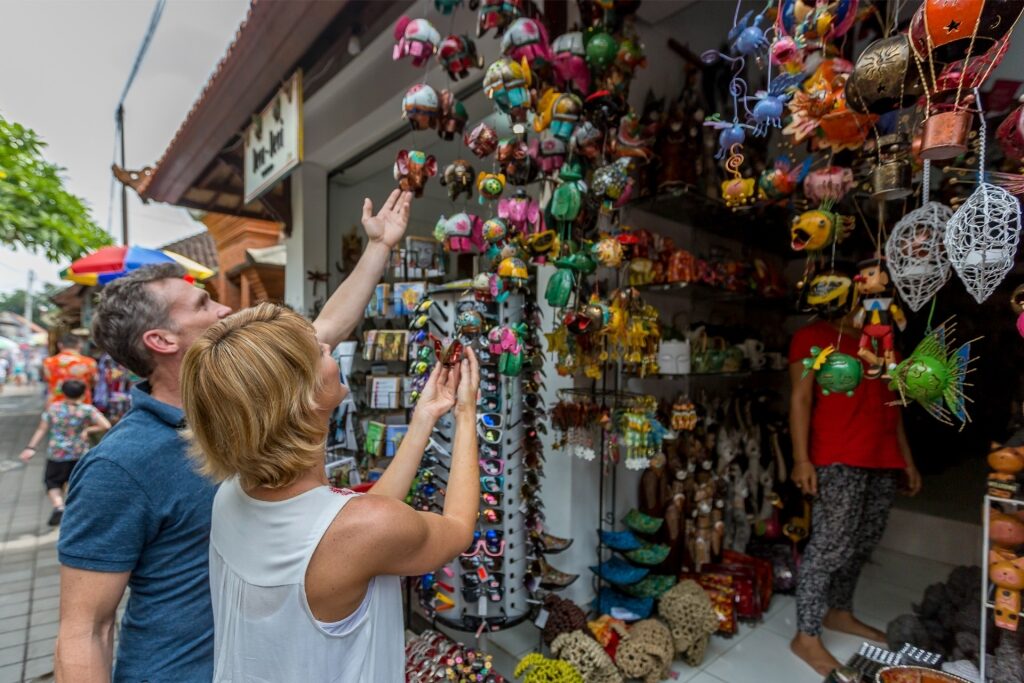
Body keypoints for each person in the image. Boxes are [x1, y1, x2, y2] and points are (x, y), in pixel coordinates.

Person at [55, 189, 413, 683]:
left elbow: (322, 332)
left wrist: (379, 247)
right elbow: (85, 630)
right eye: (203, 303)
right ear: (161, 341)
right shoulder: (121, 466)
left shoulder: (252, 400)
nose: (224, 308)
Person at [181, 304, 480, 681]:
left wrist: (425, 417)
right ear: (301, 399)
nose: (329, 349)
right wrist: (467, 414)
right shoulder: (360, 529)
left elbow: (359, 521)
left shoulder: (232, 495)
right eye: (318, 351)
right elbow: (454, 529)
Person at [788, 304, 922, 676]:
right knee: (830, 545)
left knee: (863, 541)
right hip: (838, 454)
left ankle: (840, 612)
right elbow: (799, 399)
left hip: (883, 455)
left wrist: (906, 459)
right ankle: (806, 636)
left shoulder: (882, 344)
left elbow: (891, 407)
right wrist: (801, 459)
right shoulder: (812, 337)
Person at [20, 379, 111, 526]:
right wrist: (87, 430)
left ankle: (59, 506)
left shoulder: (53, 408)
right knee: (76, 482)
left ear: (63, 393)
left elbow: (42, 429)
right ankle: (79, 512)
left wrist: (30, 448)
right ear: (83, 394)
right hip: (79, 453)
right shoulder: (87, 409)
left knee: (52, 481)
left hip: (57, 453)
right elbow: (105, 425)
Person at [43, 334, 98, 403]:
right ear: (80, 345)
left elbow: (47, 380)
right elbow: (94, 382)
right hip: (81, 403)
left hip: (56, 404)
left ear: (60, 345)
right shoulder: (89, 362)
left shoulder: (48, 362)